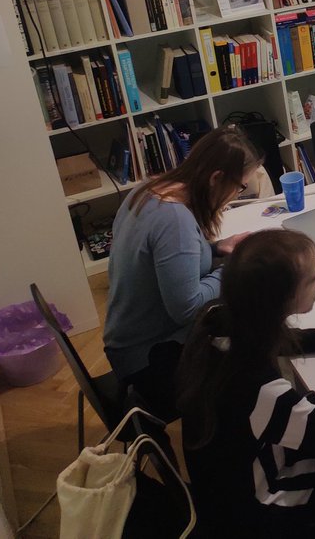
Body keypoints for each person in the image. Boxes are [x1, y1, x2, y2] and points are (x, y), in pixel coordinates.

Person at [178, 228, 315, 538]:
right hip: (260, 514)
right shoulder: (260, 393)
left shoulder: (215, 318)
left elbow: (265, 338)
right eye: (312, 278)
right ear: (283, 300)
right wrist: (309, 398)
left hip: (225, 483)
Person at [103, 125, 263, 415]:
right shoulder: (175, 220)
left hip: (126, 342)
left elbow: (167, 263)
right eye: (240, 187)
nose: (237, 196)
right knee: (253, 366)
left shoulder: (149, 190)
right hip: (147, 362)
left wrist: (217, 249)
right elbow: (188, 309)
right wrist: (233, 267)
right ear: (216, 178)